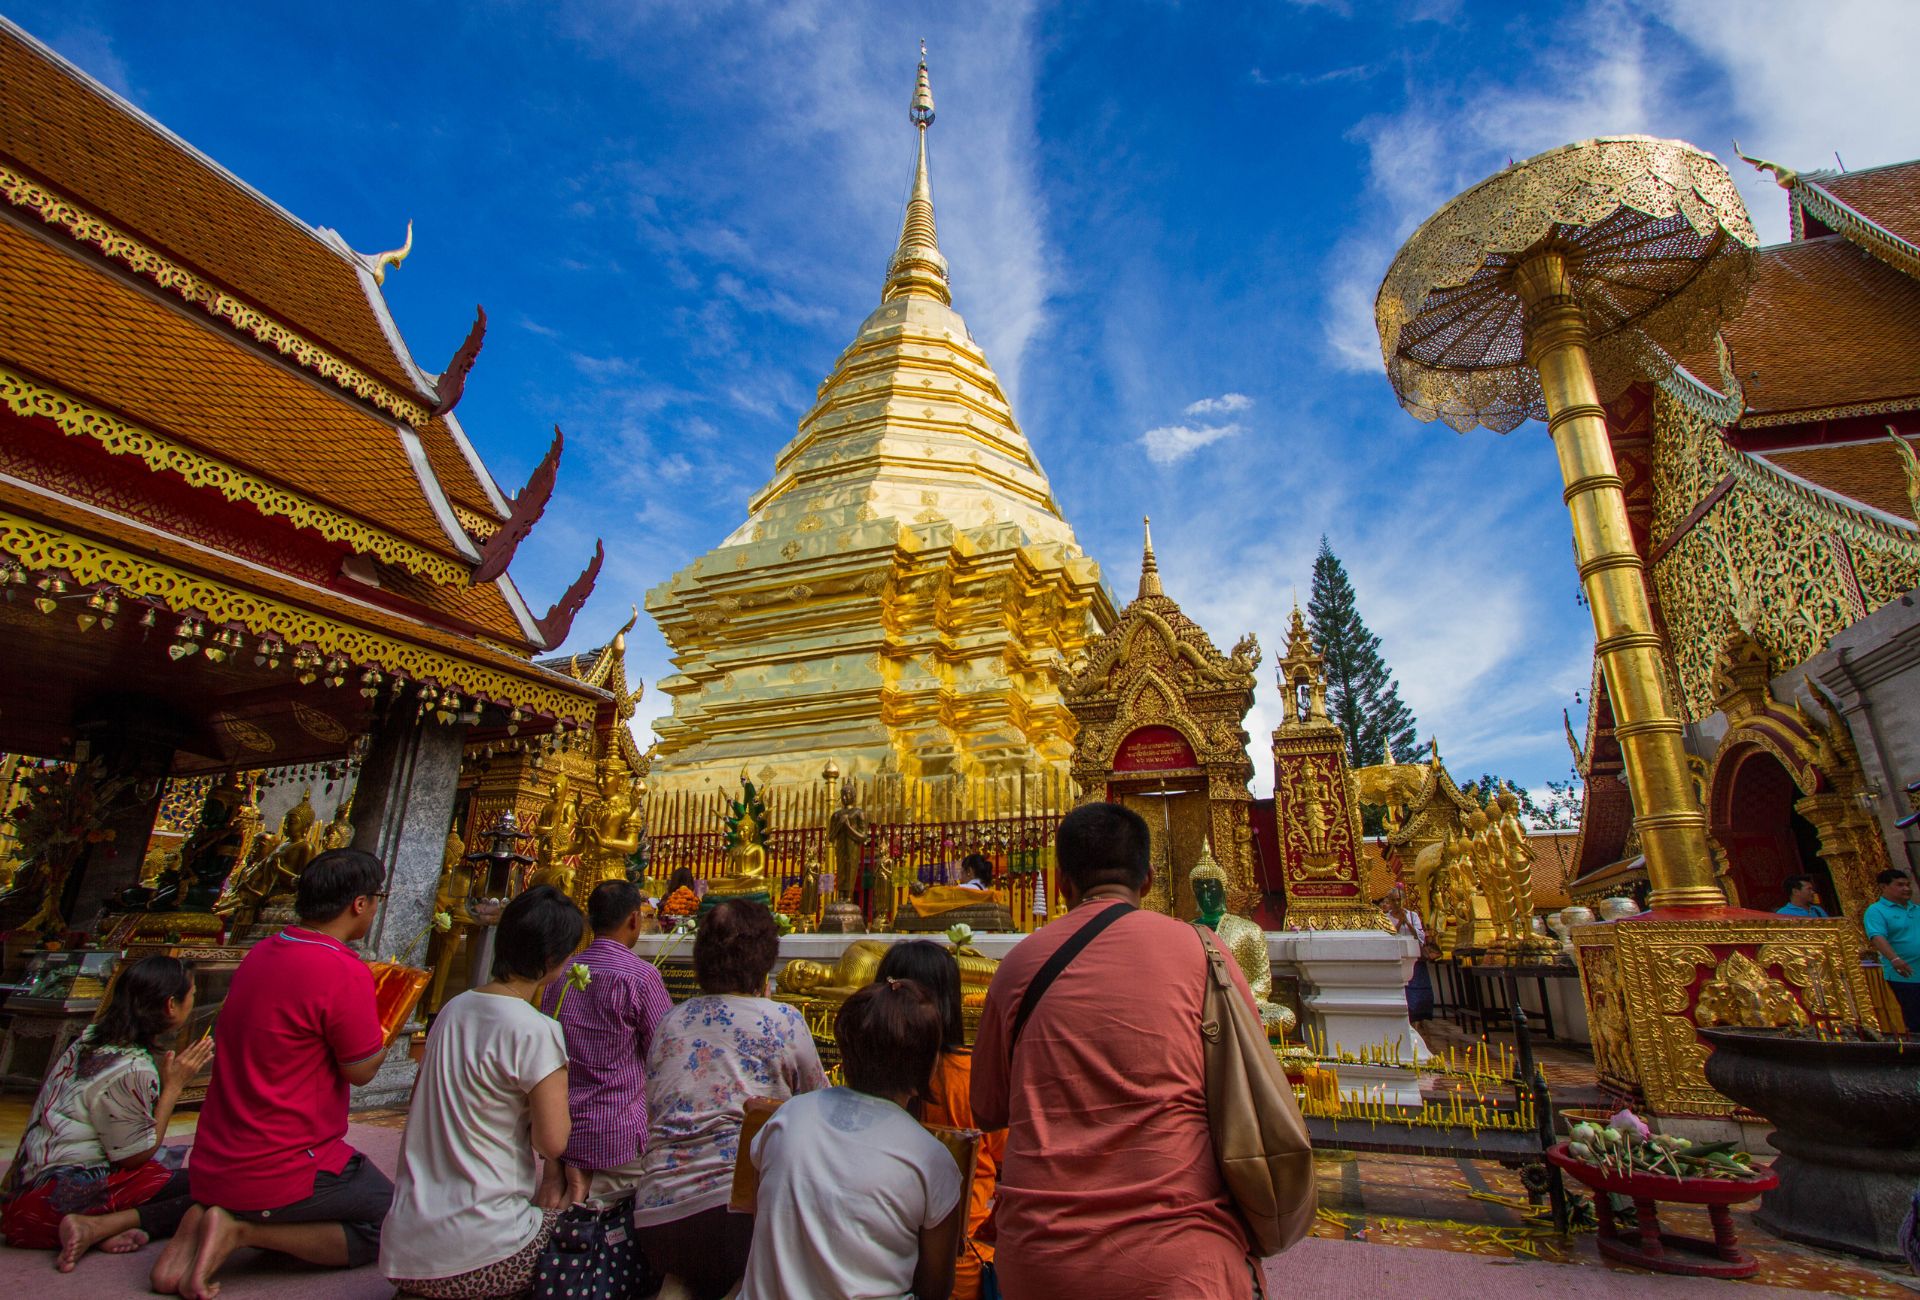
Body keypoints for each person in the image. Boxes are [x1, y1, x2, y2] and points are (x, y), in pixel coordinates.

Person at [972, 802, 1261, 1300]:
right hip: (1183, 1257)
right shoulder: (1206, 952)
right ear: (1148, 879)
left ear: (1061, 883)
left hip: (1043, 1257)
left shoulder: (1017, 966)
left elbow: (989, 1107)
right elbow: (1253, 1087)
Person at [153, 848, 395, 1299]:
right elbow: (360, 1071)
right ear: (359, 904)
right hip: (283, 1164)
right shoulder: (342, 970)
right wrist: (388, 1029)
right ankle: (240, 1231)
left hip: (212, 1160)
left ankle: (206, 1213)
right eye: (378, 897)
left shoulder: (261, 952)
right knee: (391, 1221)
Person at [382, 886, 583, 1298]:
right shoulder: (537, 1029)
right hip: (485, 1249)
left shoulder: (452, 1010)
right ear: (553, 961)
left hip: (403, 1249)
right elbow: (553, 1140)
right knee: (589, 1228)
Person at [633, 899, 826, 1300]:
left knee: (685, 1272)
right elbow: (820, 1109)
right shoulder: (783, 1020)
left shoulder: (671, 1021)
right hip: (741, 1218)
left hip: (656, 1216)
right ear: (765, 960)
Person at [740, 979, 963, 1300]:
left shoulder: (787, 1118)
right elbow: (936, 1289)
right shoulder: (931, 1159)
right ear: (926, 1069)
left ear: (845, 1055)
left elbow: (762, 1218)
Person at [1, 956, 214, 1270]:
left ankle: (106, 1226)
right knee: (213, 1189)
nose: (193, 1001)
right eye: (193, 995)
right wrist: (174, 1087)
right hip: (52, 1205)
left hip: (22, 1196)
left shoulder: (89, 1039)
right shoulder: (131, 1067)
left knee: (177, 1175)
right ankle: (98, 1226)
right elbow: (134, 1156)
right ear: (171, 1005)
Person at [875, 940, 1003, 1300]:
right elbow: (1012, 1156)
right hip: (962, 1258)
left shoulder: (865, 1086)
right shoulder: (972, 1076)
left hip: (880, 1257)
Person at [540, 879, 672, 1206]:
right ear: (633, 919)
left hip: (560, 1126)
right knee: (608, 1236)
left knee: (563, 1228)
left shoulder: (560, 974)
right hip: (615, 1134)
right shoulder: (639, 977)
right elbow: (665, 1050)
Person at [1865, 868, 1920, 1031]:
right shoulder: (1876, 911)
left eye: (1908, 885)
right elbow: (1877, 936)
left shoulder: (1916, 909)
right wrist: (1894, 959)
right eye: (1900, 885)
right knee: (1916, 1016)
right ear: (1884, 887)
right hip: (1905, 974)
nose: (1906, 889)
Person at [1383, 886, 1434, 1023]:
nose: (1397, 903)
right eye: (1393, 900)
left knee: (1417, 989)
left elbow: (1420, 937)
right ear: (1390, 901)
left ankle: (1419, 1016)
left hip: (1414, 957)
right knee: (1402, 989)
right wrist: (1400, 922)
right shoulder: (1385, 918)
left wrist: (1407, 922)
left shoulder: (1413, 916)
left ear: (1404, 900)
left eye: (1399, 900)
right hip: (1396, 956)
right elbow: (1388, 937)